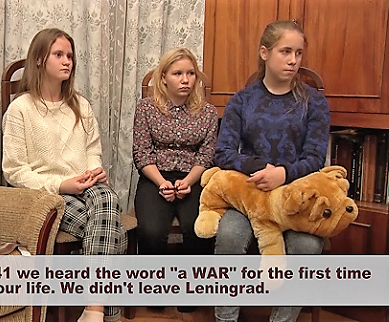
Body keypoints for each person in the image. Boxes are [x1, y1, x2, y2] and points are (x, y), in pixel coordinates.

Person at [2, 28, 127, 322]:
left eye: (70, 55)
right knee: (113, 229)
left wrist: (94, 170)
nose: (67, 61)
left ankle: (93, 307)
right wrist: (61, 184)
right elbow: (14, 171)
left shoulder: (81, 105)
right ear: (39, 60)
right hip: (46, 193)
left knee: (107, 198)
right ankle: (107, 311)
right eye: (59, 54)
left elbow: (93, 149)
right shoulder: (20, 109)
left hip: (85, 185)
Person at [213, 20, 330, 322]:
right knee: (229, 235)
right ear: (265, 53)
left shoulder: (314, 102)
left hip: (297, 197)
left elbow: (316, 157)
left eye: (299, 53)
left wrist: (283, 174)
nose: (293, 60)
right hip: (250, 195)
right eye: (285, 51)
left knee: (307, 246)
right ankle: (225, 317)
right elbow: (223, 153)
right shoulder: (242, 100)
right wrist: (257, 168)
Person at [132, 47, 217, 257]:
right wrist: (162, 183)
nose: (185, 79)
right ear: (163, 78)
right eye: (178, 74)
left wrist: (188, 181)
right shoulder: (146, 108)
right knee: (151, 232)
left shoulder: (208, 112)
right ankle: (152, 283)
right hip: (155, 178)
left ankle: (192, 284)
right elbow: (141, 153)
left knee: (200, 230)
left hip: (193, 179)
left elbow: (206, 155)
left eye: (190, 73)